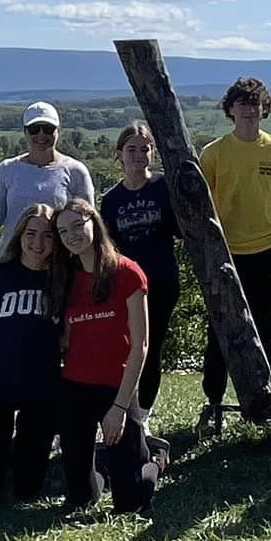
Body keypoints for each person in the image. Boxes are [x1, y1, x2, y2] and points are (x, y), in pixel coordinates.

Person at [198, 76, 271, 418]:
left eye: (256, 103)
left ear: (265, 109)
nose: (249, 109)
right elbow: (200, 208)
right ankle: (213, 401)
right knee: (219, 329)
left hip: (266, 253)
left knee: (264, 330)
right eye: (242, 103)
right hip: (224, 255)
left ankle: (263, 405)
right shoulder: (214, 153)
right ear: (230, 110)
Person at [53, 199, 166, 515]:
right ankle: (103, 463)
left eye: (77, 225)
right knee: (80, 497)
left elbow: (140, 345)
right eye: (63, 231)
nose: (72, 236)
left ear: (94, 222)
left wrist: (118, 407)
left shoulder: (128, 273)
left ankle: (155, 459)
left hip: (116, 388)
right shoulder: (67, 277)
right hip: (75, 385)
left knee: (131, 502)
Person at [0, 204, 65, 501]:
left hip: (41, 393)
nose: (38, 243)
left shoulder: (61, 281)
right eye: (31, 234)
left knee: (27, 489)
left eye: (47, 236)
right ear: (19, 236)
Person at [99, 121, 181, 435]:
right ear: (119, 154)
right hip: (125, 286)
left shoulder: (163, 188)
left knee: (151, 346)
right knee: (124, 348)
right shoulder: (112, 200)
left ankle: (143, 415)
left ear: (152, 152)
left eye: (144, 149)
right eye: (131, 149)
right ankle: (122, 407)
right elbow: (108, 248)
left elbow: (181, 229)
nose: (138, 155)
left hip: (161, 280)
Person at [0, 101, 94, 246]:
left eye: (48, 129)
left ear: (58, 131)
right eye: (34, 129)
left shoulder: (76, 171)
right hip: (12, 258)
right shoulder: (7, 169)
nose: (41, 134)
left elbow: (87, 221)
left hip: (58, 260)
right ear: (25, 132)